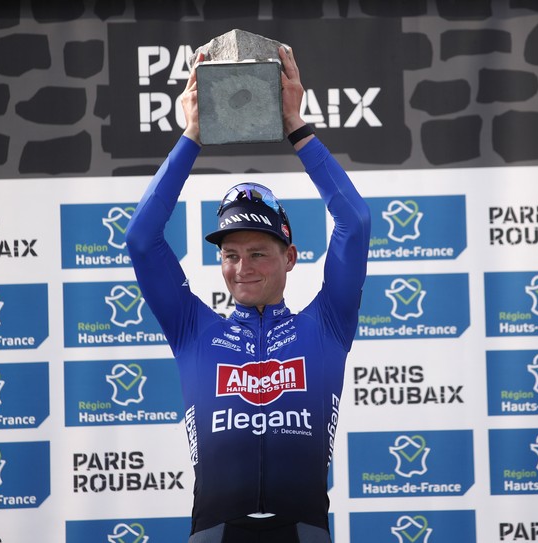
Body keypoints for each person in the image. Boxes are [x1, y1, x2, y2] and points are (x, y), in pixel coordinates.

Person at [126, 45, 370, 543]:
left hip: (303, 532)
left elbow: (355, 222)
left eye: (259, 252)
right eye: (230, 254)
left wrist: (297, 129)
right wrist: (193, 134)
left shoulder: (326, 324)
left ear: (291, 257)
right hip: (214, 532)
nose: (242, 268)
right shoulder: (193, 328)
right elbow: (141, 240)